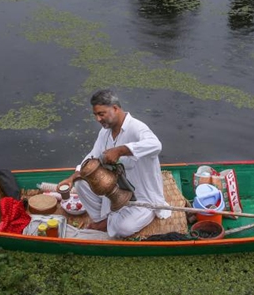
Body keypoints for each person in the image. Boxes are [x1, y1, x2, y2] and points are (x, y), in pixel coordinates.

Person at [57, 89, 171, 238]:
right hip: (114, 190)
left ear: (115, 109)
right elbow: (92, 157)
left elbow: (156, 145)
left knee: (123, 229)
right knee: (80, 183)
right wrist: (72, 178)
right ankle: (102, 220)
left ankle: (125, 218)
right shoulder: (104, 133)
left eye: (101, 114)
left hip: (141, 198)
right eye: (95, 115)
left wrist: (121, 150)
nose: (98, 119)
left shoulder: (137, 128)